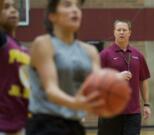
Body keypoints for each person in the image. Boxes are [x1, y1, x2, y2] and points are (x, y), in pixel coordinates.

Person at [26, 0, 106, 135]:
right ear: (52, 15)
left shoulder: (91, 51)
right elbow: (51, 90)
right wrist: (77, 103)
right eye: (67, 5)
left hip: (75, 125)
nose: (75, 10)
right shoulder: (43, 44)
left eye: (78, 6)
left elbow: (97, 89)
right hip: (45, 124)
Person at [98, 20, 151, 135]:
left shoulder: (138, 55)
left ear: (130, 33)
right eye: (119, 30)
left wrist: (146, 104)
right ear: (114, 32)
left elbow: (143, 80)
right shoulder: (105, 54)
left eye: (124, 30)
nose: (121, 32)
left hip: (133, 113)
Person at [0, 0, 30, 135]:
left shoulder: (23, 49)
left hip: (21, 123)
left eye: (15, 7)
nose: (13, 10)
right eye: (6, 7)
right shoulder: (2, 41)